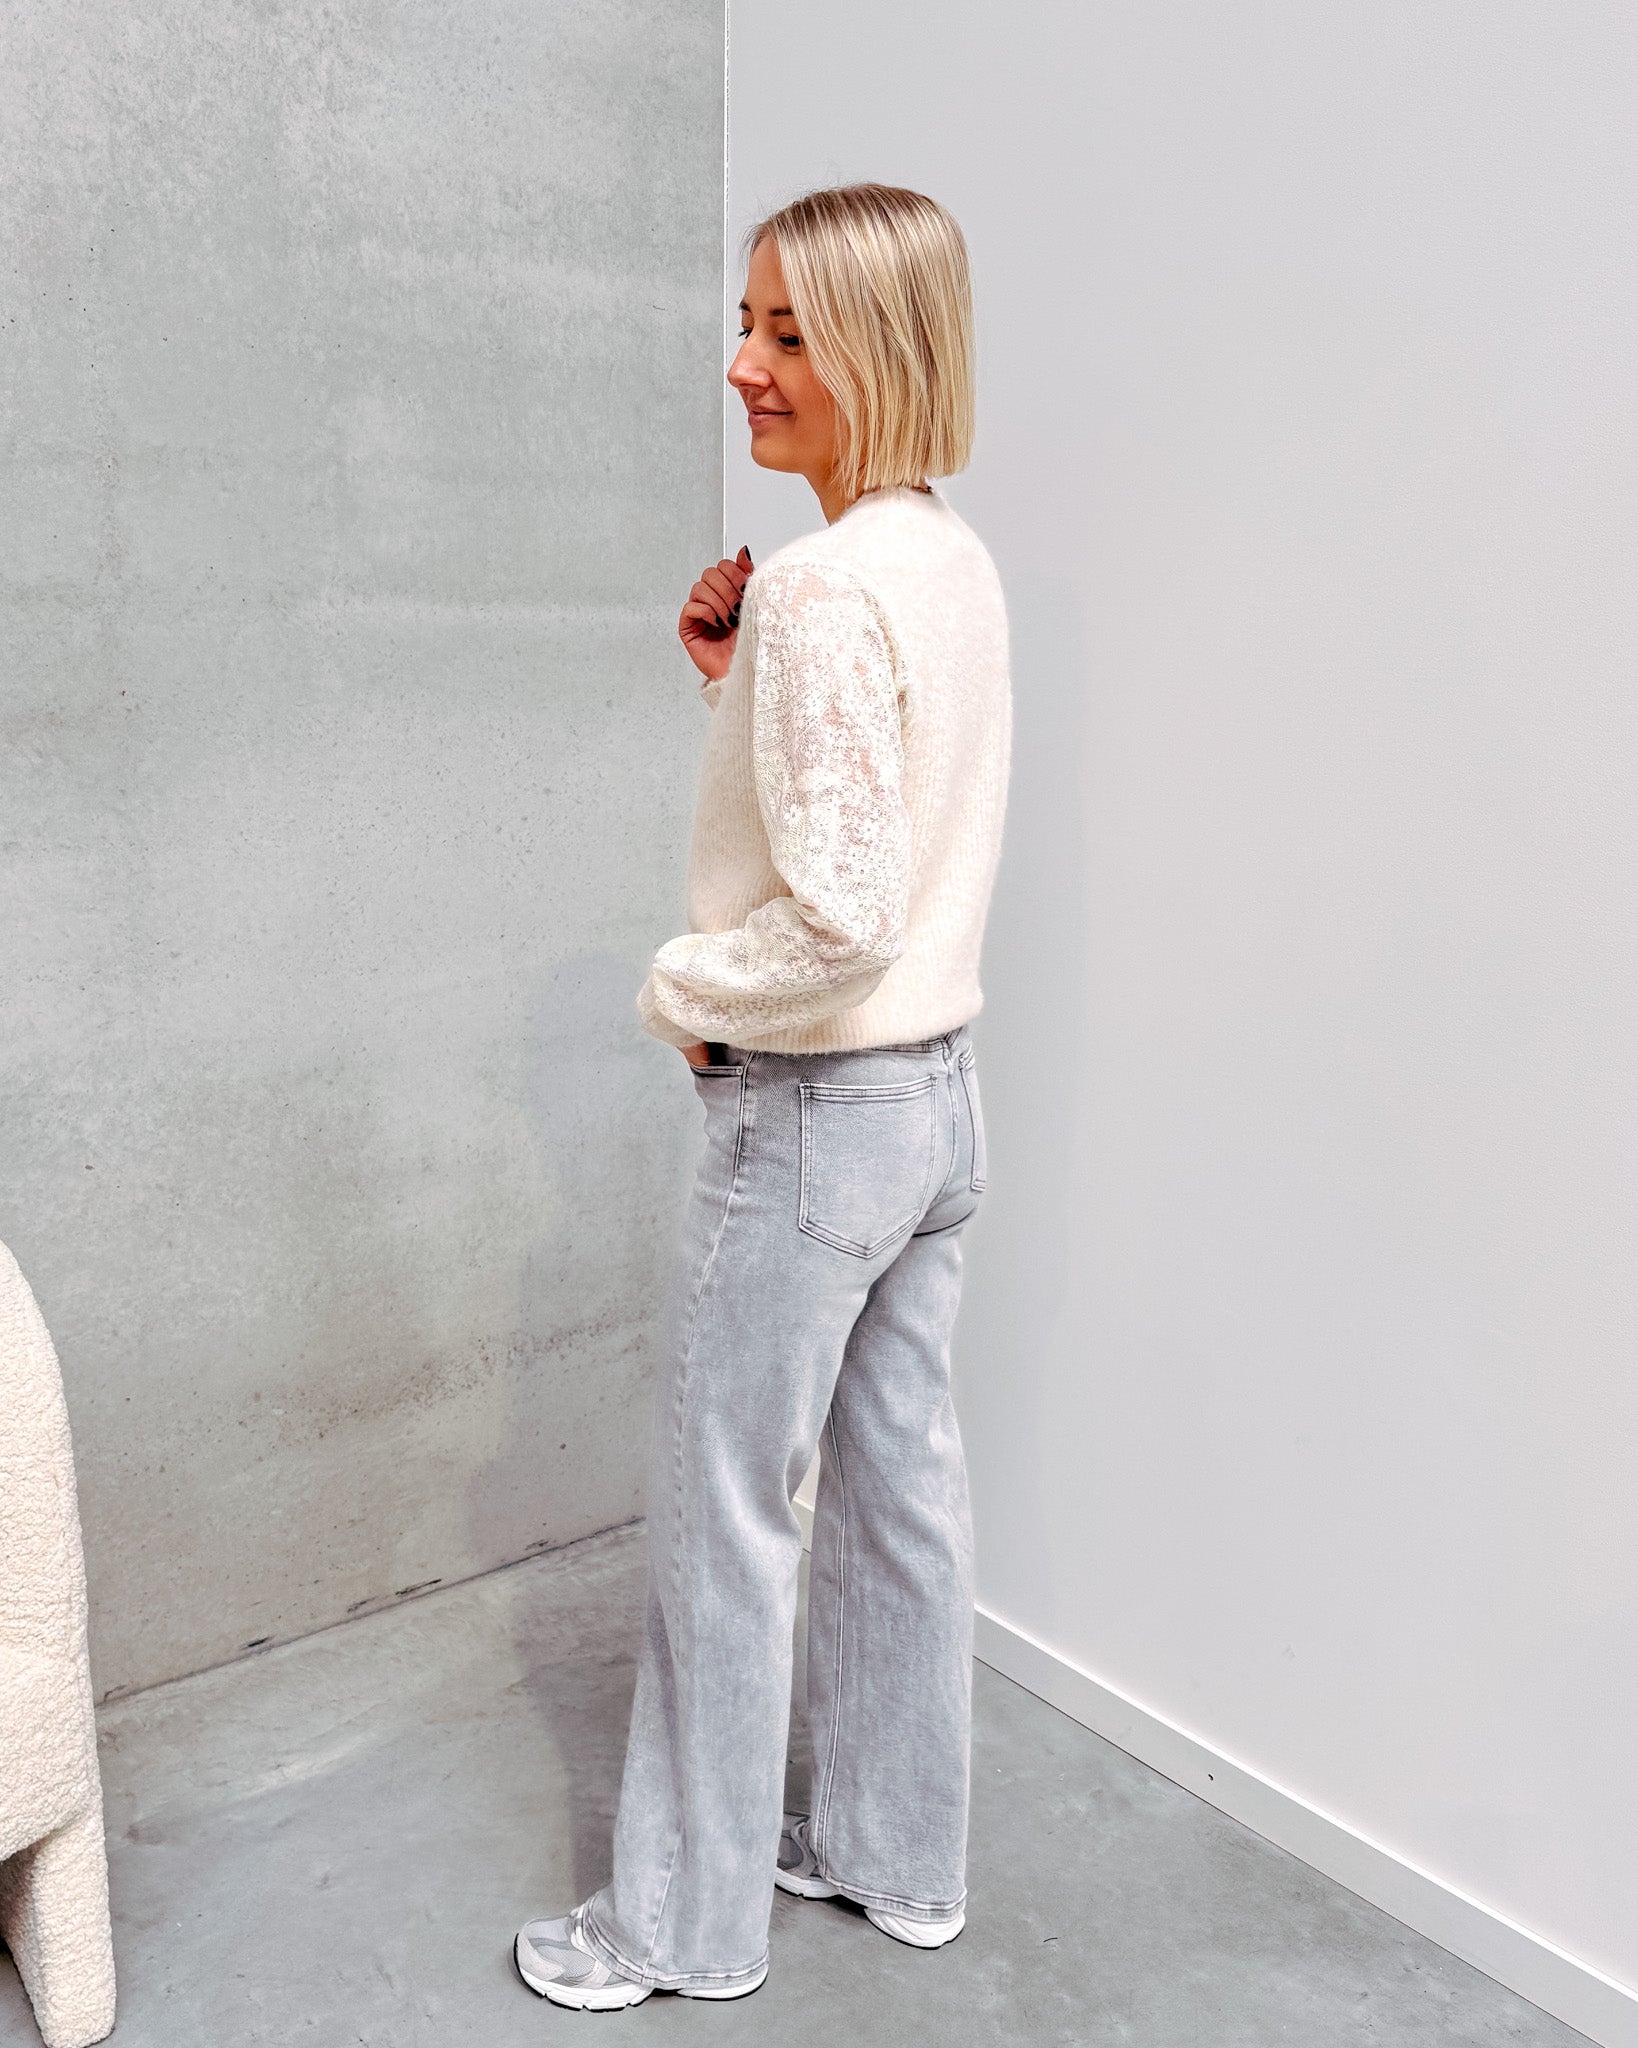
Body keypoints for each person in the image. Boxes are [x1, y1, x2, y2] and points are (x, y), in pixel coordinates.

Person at [514, 182, 1012, 2012]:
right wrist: (736, 691)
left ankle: (675, 1926)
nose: (744, 364)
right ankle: (896, 1855)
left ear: (882, 347)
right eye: (747, 322)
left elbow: (835, 917)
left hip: (809, 1118)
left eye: (792, 333)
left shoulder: (818, 584)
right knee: (898, 1494)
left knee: (729, 1520)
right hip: (936, 1110)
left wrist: (679, 986)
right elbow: (885, 828)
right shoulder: (943, 559)